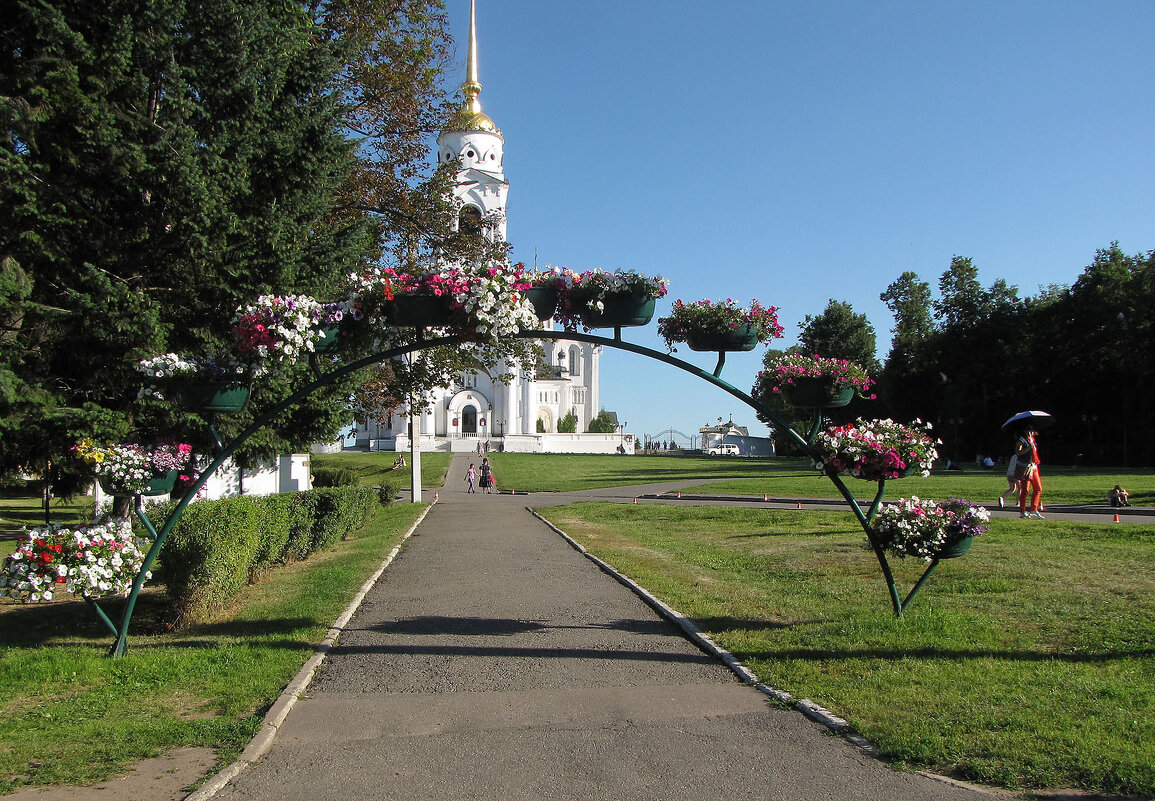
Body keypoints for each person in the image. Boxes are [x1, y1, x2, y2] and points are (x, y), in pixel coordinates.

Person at [1016, 429, 1044, 519]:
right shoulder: (1021, 440)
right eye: (1029, 430)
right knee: (1025, 490)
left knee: (1038, 488)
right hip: (1026, 467)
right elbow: (1018, 452)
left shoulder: (1032, 439)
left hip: (1033, 466)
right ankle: (1022, 511)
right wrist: (1028, 448)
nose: (1031, 432)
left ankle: (1034, 508)